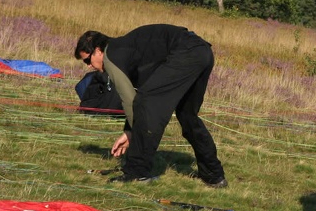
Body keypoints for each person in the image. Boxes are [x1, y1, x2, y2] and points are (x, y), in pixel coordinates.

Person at [75, 24, 227, 187]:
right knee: (187, 116)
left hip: (186, 52)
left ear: (98, 50)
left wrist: (133, 133)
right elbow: (137, 100)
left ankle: (137, 172)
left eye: (87, 60)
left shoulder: (110, 56)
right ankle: (214, 176)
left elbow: (130, 100)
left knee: (147, 102)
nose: (89, 66)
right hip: (203, 52)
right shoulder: (128, 49)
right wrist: (130, 131)